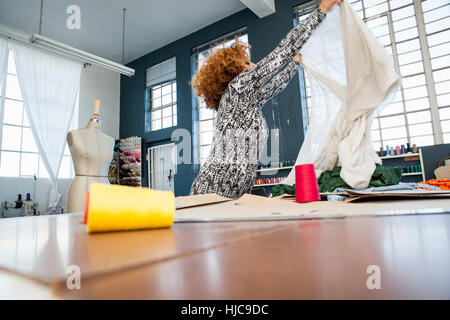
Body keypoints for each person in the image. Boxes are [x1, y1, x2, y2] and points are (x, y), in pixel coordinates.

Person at [190, 0, 342, 199]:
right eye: (246, 62)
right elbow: (281, 52)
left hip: (231, 195)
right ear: (232, 72)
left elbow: (274, 86)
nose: (253, 64)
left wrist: (295, 63)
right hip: (211, 192)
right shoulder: (237, 87)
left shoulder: (246, 100)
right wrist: (322, 11)